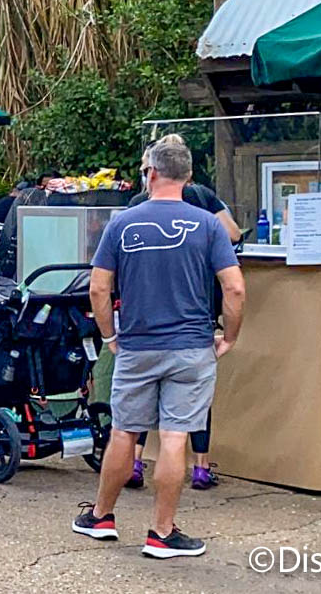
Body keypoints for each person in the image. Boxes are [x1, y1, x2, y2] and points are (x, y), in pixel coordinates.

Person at [74, 134, 244, 560]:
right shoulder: (209, 225)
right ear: (188, 176)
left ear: (150, 173)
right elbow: (235, 288)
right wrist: (230, 336)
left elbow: (98, 288)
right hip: (192, 348)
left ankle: (101, 517)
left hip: (137, 346)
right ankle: (162, 533)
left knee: (124, 431)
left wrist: (110, 336)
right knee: (174, 436)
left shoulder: (121, 223)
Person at [123, 169, 242, 490]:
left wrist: (110, 334)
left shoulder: (136, 205)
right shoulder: (202, 199)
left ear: (152, 173)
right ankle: (201, 467)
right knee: (195, 399)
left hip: (145, 317)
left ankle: (135, 462)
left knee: (142, 397)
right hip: (195, 314)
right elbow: (233, 235)